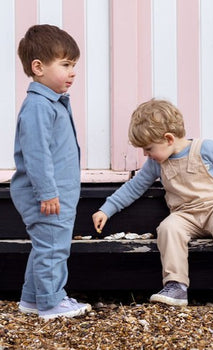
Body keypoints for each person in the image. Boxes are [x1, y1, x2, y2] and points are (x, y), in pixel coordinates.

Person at [92, 99, 213, 306]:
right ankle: (176, 285)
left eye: (148, 148)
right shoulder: (156, 164)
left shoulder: (205, 149)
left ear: (168, 138)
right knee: (167, 228)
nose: (146, 154)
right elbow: (134, 187)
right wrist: (106, 209)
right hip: (184, 215)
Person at [10, 24, 91, 320]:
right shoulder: (38, 106)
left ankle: (33, 299)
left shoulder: (50, 104)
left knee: (46, 246)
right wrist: (47, 192)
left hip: (58, 194)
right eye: (66, 64)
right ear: (38, 67)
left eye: (74, 65)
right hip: (47, 196)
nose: (72, 72)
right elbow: (36, 154)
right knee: (53, 249)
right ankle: (51, 303)